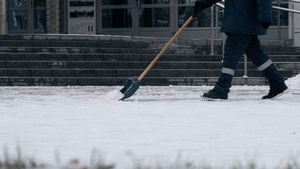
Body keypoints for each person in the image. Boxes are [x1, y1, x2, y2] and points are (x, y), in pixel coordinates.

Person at [193, 0, 288, 100]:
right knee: (257, 56)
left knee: (231, 55)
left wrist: (265, 17)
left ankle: (221, 89)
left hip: (243, 20)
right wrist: (202, 3)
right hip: (241, 19)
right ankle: (277, 83)